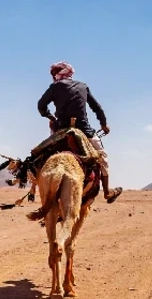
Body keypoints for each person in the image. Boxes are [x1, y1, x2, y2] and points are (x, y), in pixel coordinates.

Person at [36, 62, 121, 203]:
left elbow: (41, 106)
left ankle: (34, 185)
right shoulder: (83, 86)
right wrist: (104, 124)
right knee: (103, 157)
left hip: (61, 130)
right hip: (84, 130)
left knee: (40, 154)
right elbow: (97, 108)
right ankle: (106, 192)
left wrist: (51, 117)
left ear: (59, 74)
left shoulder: (54, 87)